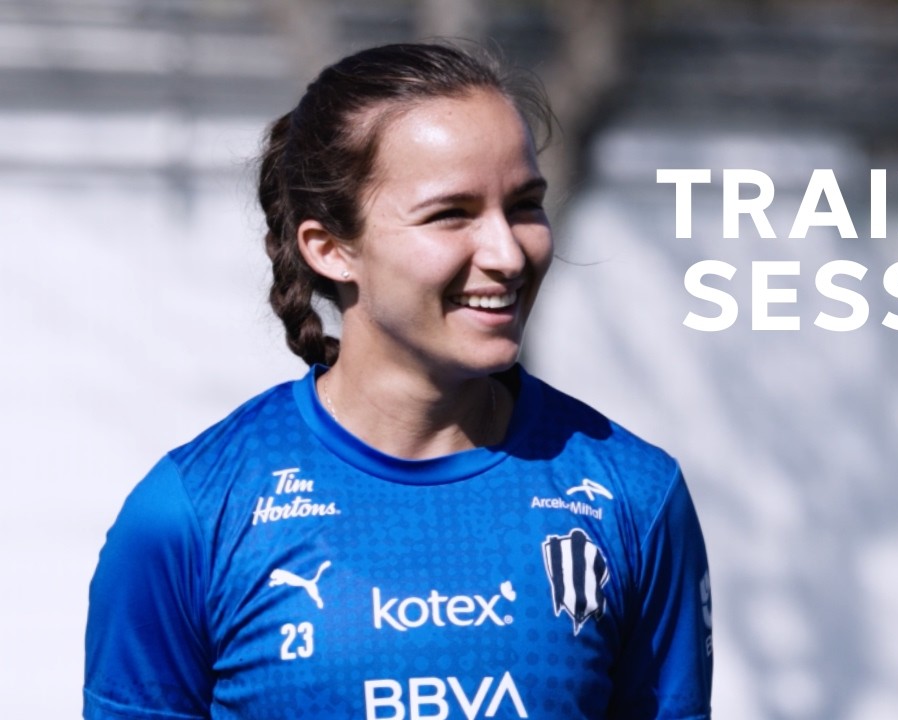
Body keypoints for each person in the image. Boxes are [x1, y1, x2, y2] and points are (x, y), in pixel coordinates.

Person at [84, 42, 713, 720]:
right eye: (452, 214)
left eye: (525, 206)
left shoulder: (635, 498)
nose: (507, 253)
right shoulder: (191, 514)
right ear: (330, 248)